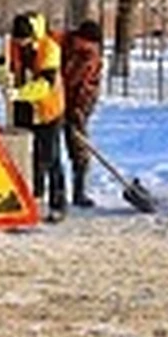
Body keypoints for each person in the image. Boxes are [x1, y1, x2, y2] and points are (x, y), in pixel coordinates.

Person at [0, 12, 67, 222]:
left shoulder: (50, 49)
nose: (20, 43)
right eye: (17, 40)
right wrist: (2, 76)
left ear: (33, 36)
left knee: (50, 157)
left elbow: (46, 85)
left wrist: (19, 93)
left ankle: (57, 203)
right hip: (23, 110)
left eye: (23, 40)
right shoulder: (12, 47)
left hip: (48, 110)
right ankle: (30, 198)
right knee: (25, 157)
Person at [61, 19, 104, 208]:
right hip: (53, 102)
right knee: (49, 151)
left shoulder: (91, 58)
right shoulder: (62, 44)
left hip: (78, 105)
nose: (86, 46)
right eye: (84, 42)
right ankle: (52, 193)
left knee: (79, 149)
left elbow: (89, 87)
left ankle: (79, 191)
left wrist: (79, 111)